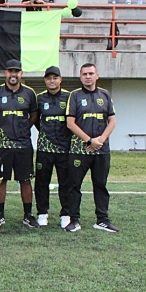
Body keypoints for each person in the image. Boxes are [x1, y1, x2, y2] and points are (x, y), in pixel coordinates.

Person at [65, 63, 118, 233]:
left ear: (97, 76)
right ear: (80, 77)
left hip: (101, 150)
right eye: (84, 74)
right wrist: (89, 141)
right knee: (74, 186)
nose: (88, 76)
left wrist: (100, 140)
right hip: (79, 150)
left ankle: (102, 220)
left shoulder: (105, 94)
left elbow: (112, 121)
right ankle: (74, 220)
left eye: (91, 73)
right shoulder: (74, 96)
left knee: (100, 185)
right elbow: (70, 123)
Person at [0, 60, 39, 228]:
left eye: (16, 71)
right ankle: (0, 214)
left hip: (23, 144)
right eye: (10, 71)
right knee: (1, 180)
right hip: (1, 145)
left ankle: (28, 215)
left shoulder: (30, 93)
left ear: (21, 74)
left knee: (25, 180)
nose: (13, 74)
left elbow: (33, 116)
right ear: (5, 73)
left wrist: (22, 129)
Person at [35, 66, 71, 228]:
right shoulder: (40, 98)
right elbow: (36, 120)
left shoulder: (69, 97)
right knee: (42, 182)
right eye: (49, 78)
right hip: (44, 148)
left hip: (64, 148)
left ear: (60, 79)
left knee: (65, 182)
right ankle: (42, 213)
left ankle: (66, 214)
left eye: (55, 78)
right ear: (45, 80)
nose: (52, 81)